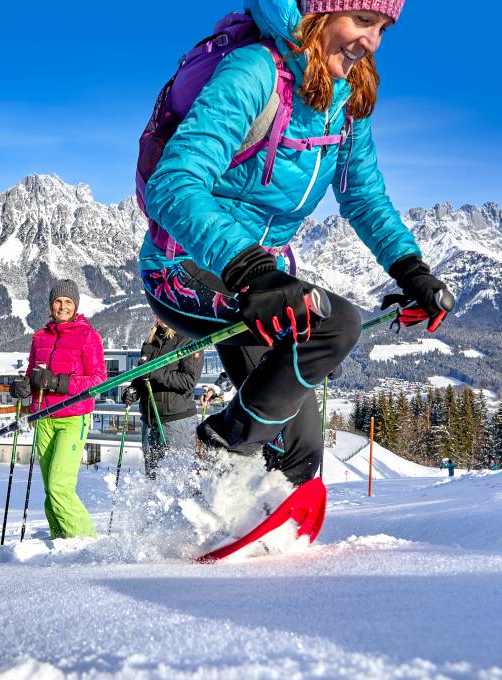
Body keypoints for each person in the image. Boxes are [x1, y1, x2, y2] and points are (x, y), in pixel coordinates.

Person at [138, 0, 455, 486]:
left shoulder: (347, 102)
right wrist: (251, 270)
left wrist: (411, 270)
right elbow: (173, 182)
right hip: (186, 263)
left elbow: (364, 197)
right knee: (336, 323)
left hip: (264, 278)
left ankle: (205, 528)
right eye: (363, 20)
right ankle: (219, 445)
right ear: (319, 14)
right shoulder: (254, 72)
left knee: (300, 458)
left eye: (384, 28)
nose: (371, 42)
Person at [10, 279, 106, 539]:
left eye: (68, 302)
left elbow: (98, 380)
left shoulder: (87, 335)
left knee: (59, 486)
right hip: (43, 417)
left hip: (73, 418)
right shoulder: (40, 337)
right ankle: (60, 539)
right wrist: (22, 388)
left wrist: (58, 382)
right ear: (51, 305)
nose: (62, 307)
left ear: (75, 306)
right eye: (58, 302)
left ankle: (86, 542)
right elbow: (32, 374)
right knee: (49, 489)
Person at [121, 320, 204, 478]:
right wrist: (134, 390)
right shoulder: (150, 340)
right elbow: (142, 375)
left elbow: (188, 381)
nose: (162, 317)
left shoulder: (188, 338)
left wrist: (154, 372)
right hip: (150, 421)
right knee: (153, 480)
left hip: (177, 422)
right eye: (157, 311)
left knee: (179, 479)